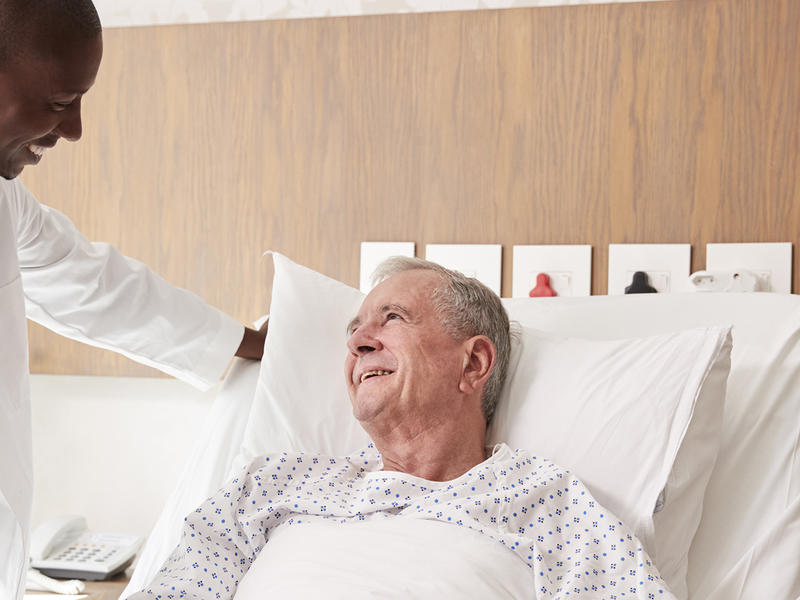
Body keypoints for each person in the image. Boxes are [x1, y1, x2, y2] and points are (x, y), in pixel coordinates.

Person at [133, 258, 675, 599]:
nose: (358, 343)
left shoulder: (546, 504)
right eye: (355, 331)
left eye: (392, 319)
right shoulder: (272, 485)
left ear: (473, 364)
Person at [0, 2, 266, 599]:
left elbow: (100, 288)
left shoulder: (4, 206)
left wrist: (254, 343)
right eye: (61, 102)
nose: (73, 130)